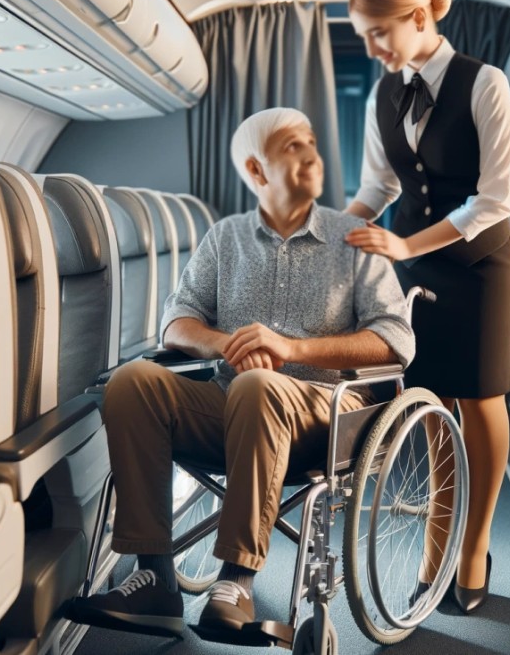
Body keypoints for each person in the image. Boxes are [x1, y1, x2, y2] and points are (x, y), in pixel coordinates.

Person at [70, 107, 416, 639]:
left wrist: (292, 346)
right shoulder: (224, 238)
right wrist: (228, 344)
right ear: (256, 172)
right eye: (291, 148)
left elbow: (396, 338)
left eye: (310, 142)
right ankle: (154, 576)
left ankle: (236, 580)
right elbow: (175, 321)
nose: (311, 155)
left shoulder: (355, 241)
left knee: (260, 386)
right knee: (132, 382)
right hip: (236, 405)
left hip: (328, 415)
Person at [344, 0, 510, 614]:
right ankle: (436, 553)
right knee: (434, 408)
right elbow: (378, 188)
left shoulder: (485, 84)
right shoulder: (384, 94)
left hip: (478, 269)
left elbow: (496, 200)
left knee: (479, 401)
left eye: (378, 34)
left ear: (419, 16)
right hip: (414, 270)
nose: (372, 50)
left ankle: (473, 553)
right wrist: (332, 228)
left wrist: (405, 247)